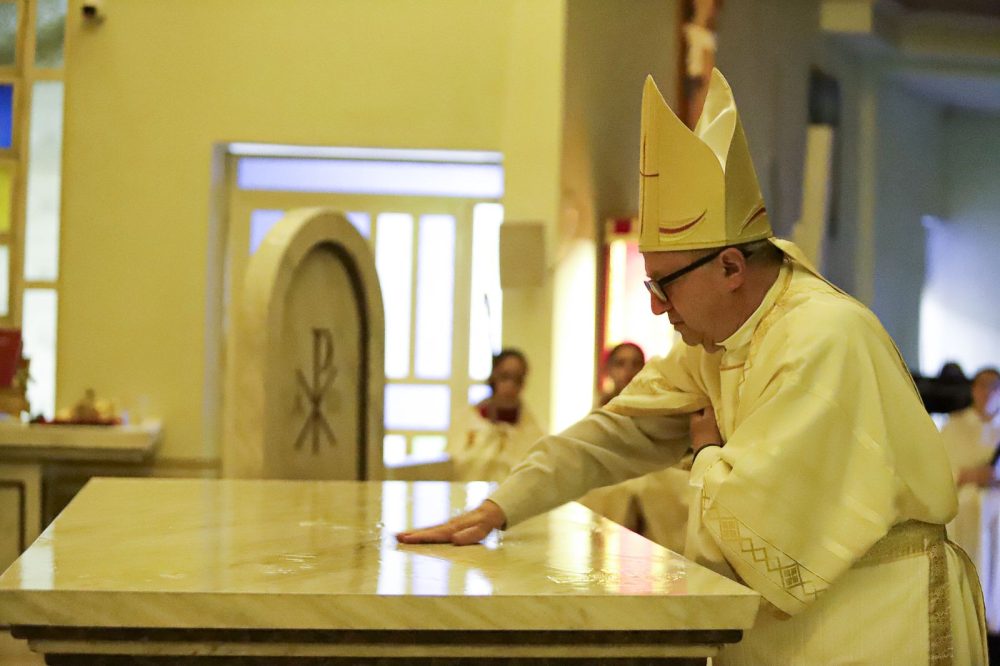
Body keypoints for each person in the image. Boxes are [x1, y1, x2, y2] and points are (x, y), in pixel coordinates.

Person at [399, 69, 987, 663]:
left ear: (732, 267)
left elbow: (767, 520)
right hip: (795, 627)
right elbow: (617, 431)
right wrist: (499, 507)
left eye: (665, 284)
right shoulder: (716, 342)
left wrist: (706, 453)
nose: (655, 305)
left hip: (875, 620)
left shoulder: (820, 337)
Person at [446, 348, 544, 483]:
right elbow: (457, 463)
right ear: (493, 377)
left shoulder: (531, 426)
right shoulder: (470, 419)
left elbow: (535, 469)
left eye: (518, 379)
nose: (510, 385)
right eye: (505, 377)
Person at [597, 341, 646, 406]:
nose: (629, 369)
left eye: (636, 363)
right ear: (608, 369)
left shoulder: (655, 408)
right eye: (620, 363)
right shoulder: (600, 412)